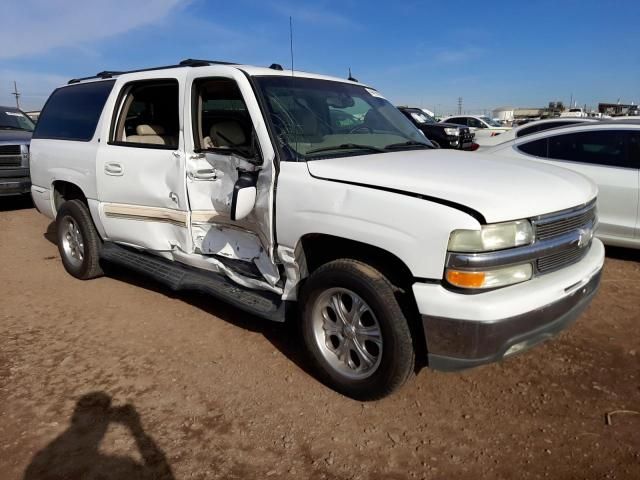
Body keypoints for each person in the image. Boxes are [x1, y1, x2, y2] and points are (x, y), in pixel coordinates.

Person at [24, 392, 174, 480]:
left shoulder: (42, 463)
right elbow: (164, 477)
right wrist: (137, 430)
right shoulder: (113, 468)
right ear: (106, 424)